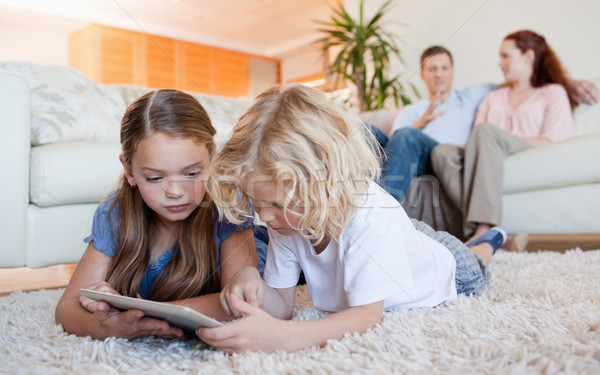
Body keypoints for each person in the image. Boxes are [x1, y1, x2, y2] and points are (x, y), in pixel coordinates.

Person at [196, 84, 507, 353]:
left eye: (276, 203)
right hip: (396, 238)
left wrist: (281, 338)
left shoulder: (369, 217)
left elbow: (366, 317)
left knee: (478, 259)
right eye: (257, 202)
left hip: (449, 268)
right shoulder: (286, 220)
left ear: (324, 182)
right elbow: (283, 304)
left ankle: (491, 238)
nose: (264, 216)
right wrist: (249, 282)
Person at [55, 89, 267, 340]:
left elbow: (238, 302)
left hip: (266, 244)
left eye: (191, 174)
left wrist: (147, 314)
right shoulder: (116, 212)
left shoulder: (228, 205)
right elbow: (66, 308)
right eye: (156, 178)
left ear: (211, 158)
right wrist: (107, 326)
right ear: (130, 171)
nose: (176, 192)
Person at [377, 45, 598, 203]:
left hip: (445, 157)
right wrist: (418, 125)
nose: (439, 75)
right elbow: (393, 151)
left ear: (452, 71)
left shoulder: (474, 94)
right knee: (367, 131)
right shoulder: (410, 111)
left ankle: (382, 212)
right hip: (413, 154)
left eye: (444, 68)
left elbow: (523, 81)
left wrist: (567, 82)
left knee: (407, 135)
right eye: (432, 69)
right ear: (422, 74)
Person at [430, 30, 578, 243]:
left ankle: (483, 229)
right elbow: (475, 142)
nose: (500, 63)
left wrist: (500, 140)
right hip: (487, 153)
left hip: (525, 149)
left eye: (506, 56)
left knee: (486, 131)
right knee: (441, 152)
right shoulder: (492, 97)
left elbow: (554, 139)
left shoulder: (552, 92)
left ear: (528, 57)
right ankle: (499, 237)